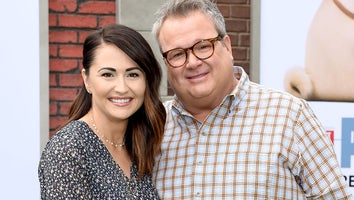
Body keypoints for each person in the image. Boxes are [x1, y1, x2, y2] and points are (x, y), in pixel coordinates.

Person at [151, 0, 353, 199]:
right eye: (177, 54)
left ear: (227, 47)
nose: (193, 62)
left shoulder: (289, 115)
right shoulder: (152, 127)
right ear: (166, 63)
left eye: (203, 47)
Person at [38, 24, 166, 199]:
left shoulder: (139, 142)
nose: (122, 88)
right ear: (87, 80)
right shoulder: (69, 148)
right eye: (108, 74)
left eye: (133, 74)